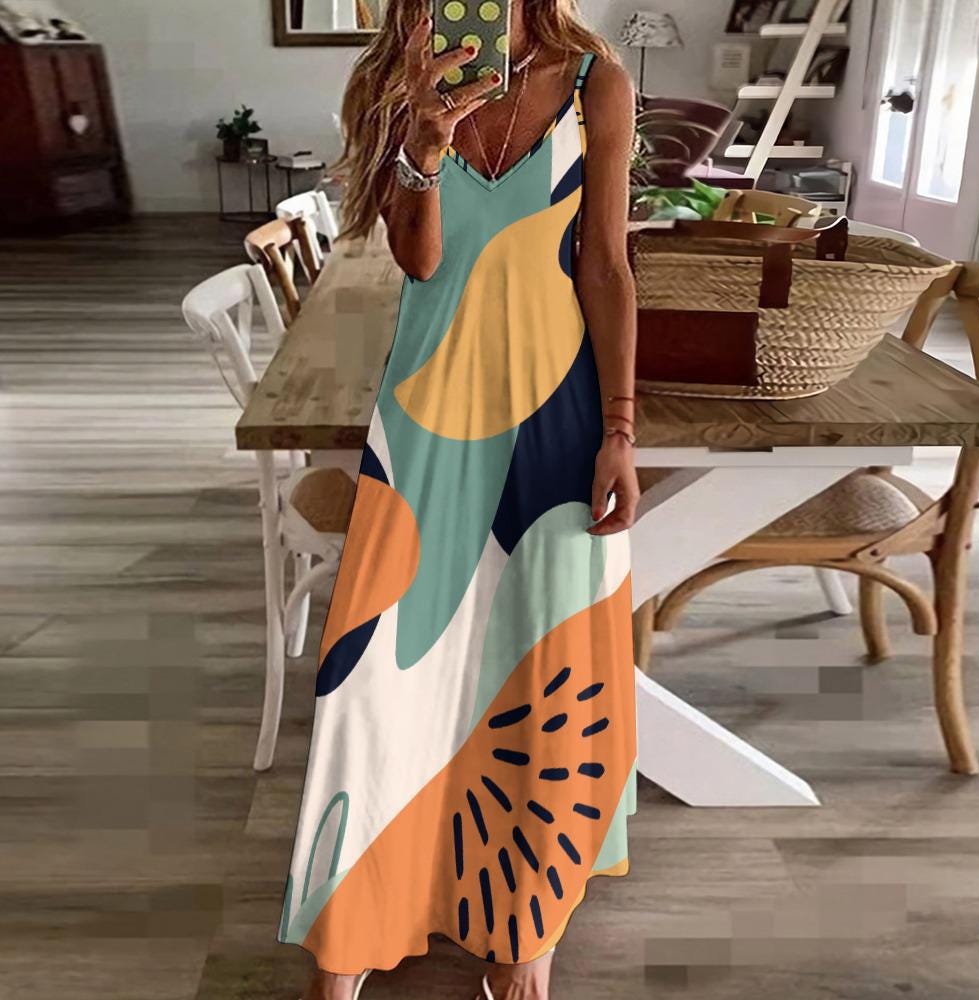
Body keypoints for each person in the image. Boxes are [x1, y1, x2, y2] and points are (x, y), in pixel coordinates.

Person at [279, 2, 640, 998]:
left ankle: (524, 933)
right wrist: (424, 146)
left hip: (558, 413)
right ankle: (353, 925)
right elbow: (420, 261)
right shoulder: (406, 82)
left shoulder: (595, 83)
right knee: (378, 676)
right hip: (425, 415)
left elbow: (607, 265)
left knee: (546, 663)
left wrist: (619, 430)